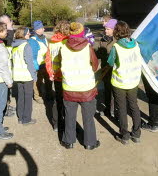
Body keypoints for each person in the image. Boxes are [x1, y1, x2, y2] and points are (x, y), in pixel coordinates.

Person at [60, 22, 100, 150]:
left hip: (69, 87)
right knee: (88, 116)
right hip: (86, 87)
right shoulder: (88, 47)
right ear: (82, 33)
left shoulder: (64, 47)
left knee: (69, 115)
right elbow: (95, 65)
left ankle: (69, 141)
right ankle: (90, 142)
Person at [107, 21, 142, 144]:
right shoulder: (136, 44)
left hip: (120, 82)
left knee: (121, 108)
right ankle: (137, 134)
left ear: (116, 32)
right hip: (133, 81)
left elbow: (111, 62)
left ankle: (125, 135)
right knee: (134, 106)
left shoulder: (116, 47)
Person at [45, 20, 70, 132]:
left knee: (57, 100)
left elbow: (48, 59)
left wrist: (51, 73)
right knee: (67, 100)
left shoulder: (52, 41)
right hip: (65, 75)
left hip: (55, 75)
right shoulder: (66, 42)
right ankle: (65, 122)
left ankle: (56, 123)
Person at [11, 27, 37, 125]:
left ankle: (20, 117)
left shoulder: (15, 46)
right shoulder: (26, 46)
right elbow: (29, 63)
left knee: (20, 97)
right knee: (28, 97)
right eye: (28, 33)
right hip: (26, 76)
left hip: (17, 76)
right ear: (23, 34)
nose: (29, 34)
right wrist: (34, 76)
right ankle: (27, 119)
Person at [94, 19, 118, 118]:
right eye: (105, 29)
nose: (106, 31)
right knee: (107, 90)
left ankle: (115, 111)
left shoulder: (118, 41)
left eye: (108, 29)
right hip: (105, 70)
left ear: (114, 29)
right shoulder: (103, 39)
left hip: (115, 70)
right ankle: (107, 109)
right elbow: (98, 54)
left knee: (115, 92)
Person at [28, 20, 52, 104]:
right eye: (42, 28)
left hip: (46, 63)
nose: (44, 29)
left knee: (48, 80)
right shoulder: (33, 40)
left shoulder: (43, 37)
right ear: (37, 30)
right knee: (37, 82)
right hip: (38, 65)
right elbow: (33, 56)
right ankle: (37, 96)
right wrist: (35, 67)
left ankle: (49, 94)